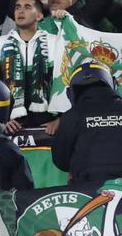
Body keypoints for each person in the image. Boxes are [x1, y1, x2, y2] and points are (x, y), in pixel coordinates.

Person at [0, 0, 58, 132]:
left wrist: (60, 120)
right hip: (11, 125)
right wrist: (1, 119)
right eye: (17, 7)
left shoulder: (55, 43)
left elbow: (65, 84)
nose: (20, 11)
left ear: (39, 16)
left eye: (27, 7)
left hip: (48, 125)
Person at [52, 62, 122, 190]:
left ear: (71, 93)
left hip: (88, 190)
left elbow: (61, 161)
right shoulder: (70, 116)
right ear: (112, 84)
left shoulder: (70, 116)